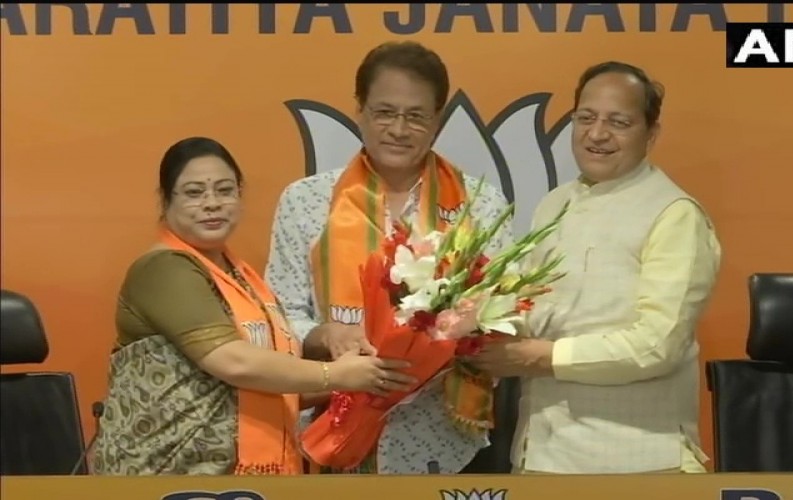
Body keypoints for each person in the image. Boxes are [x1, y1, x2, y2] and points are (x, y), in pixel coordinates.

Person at [91, 137, 417, 475]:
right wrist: (335, 374)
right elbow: (233, 362)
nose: (212, 203)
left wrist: (364, 376)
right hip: (170, 476)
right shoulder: (164, 268)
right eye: (194, 193)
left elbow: (269, 385)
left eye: (224, 190)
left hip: (236, 477)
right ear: (165, 200)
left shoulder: (243, 280)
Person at [264, 41, 515, 474]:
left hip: (445, 436)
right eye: (384, 112)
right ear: (360, 111)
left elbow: (505, 311)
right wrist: (326, 334)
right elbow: (279, 315)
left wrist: (452, 338)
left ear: (437, 121)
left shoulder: (480, 205)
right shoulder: (305, 201)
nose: (399, 129)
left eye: (416, 116)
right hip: (330, 428)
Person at [471, 61, 722, 474]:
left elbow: (657, 345)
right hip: (541, 455)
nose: (597, 134)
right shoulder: (554, 204)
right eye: (585, 118)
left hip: (640, 461)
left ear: (651, 134)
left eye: (618, 122)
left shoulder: (674, 214)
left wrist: (543, 358)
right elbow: (529, 309)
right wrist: (463, 321)